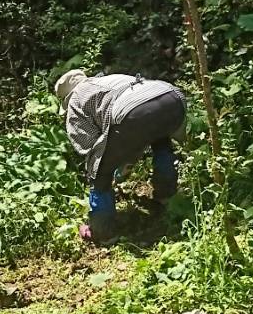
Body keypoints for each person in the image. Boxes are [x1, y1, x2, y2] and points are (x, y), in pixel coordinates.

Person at [54, 69, 186, 242]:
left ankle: (103, 231)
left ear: (66, 98)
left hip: (134, 112)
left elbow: (89, 146)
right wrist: (123, 160)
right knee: (161, 142)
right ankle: (167, 196)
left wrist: (106, 168)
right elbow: (140, 122)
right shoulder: (110, 80)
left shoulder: (76, 99)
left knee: (98, 171)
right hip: (172, 97)